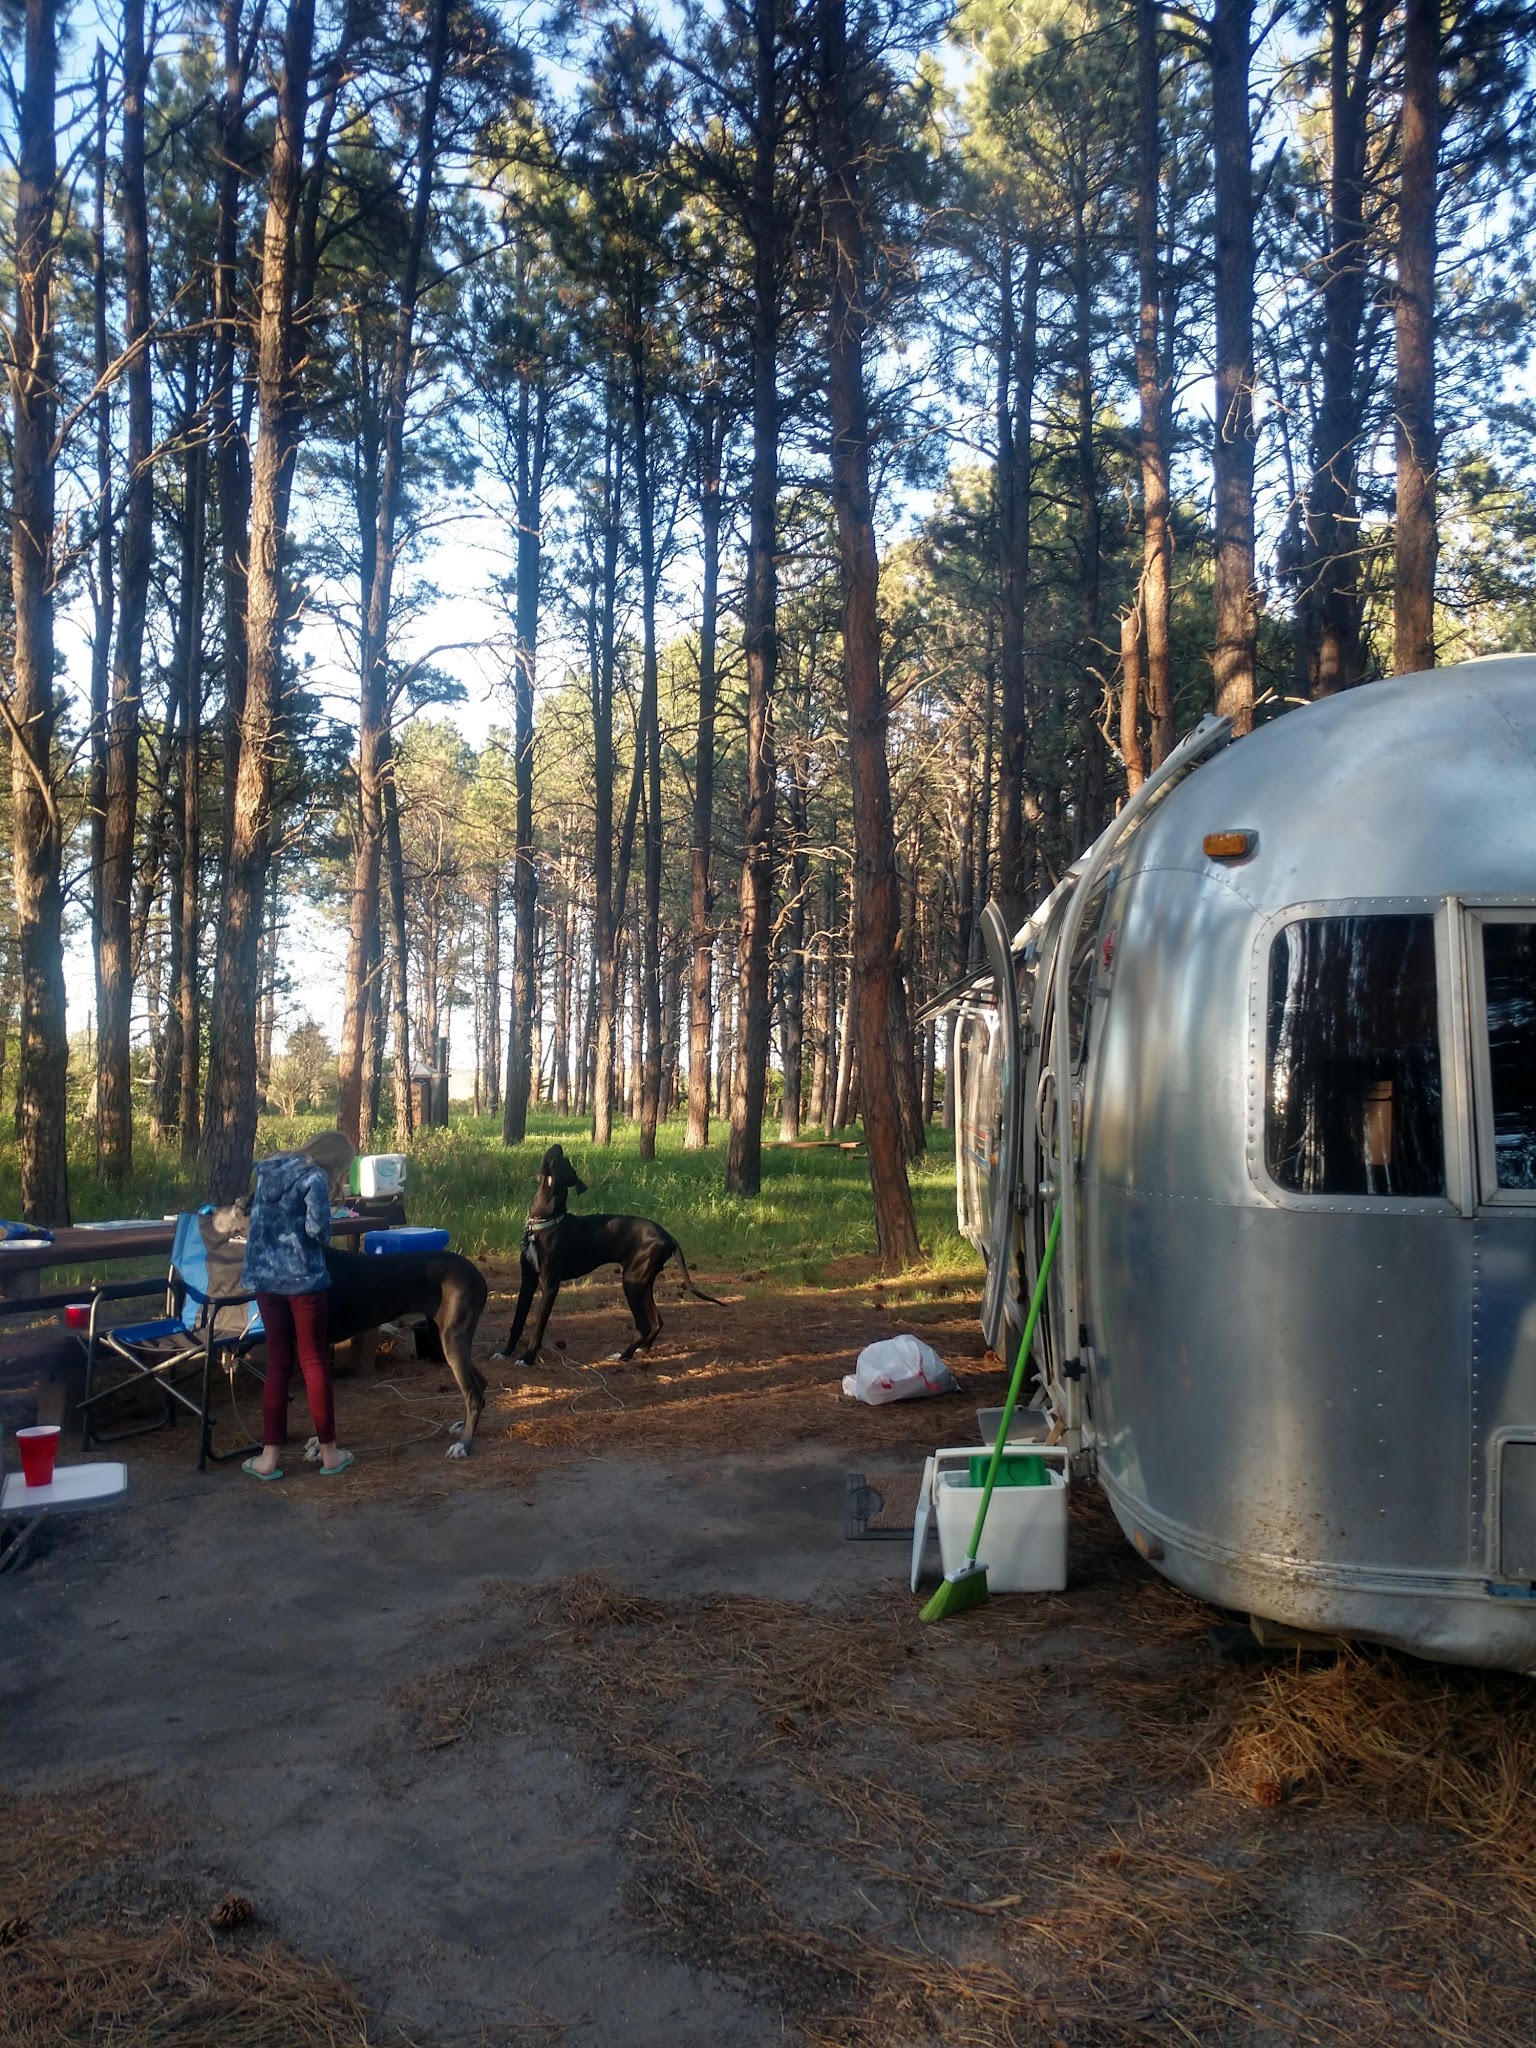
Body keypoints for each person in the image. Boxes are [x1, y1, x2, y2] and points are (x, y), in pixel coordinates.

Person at [240, 1132, 357, 1481]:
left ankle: (268, 1458)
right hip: (303, 1280)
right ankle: (330, 1453)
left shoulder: (268, 1169)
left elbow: (254, 1216)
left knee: (278, 1362)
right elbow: (318, 1232)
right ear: (335, 1161)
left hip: (264, 1278)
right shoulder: (314, 1178)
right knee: (313, 1361)